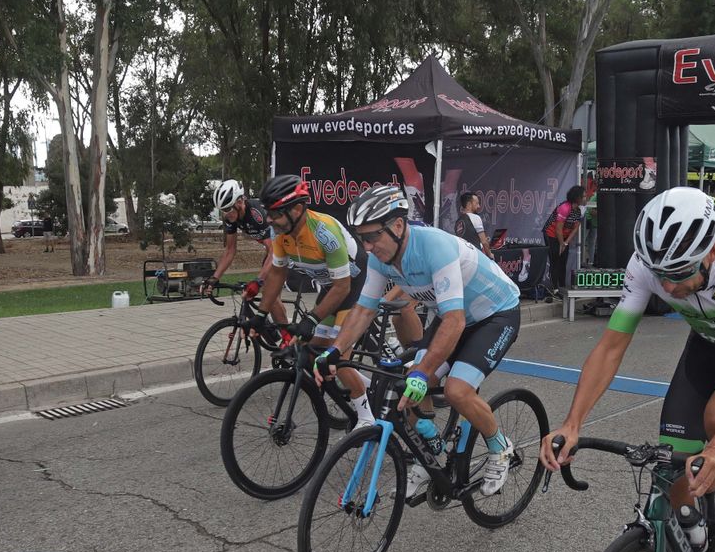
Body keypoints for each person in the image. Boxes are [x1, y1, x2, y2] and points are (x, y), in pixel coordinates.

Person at [541, 187, 715, 552]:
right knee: (671, 468)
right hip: (707, 345)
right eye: (661, 276)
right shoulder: (645, 266)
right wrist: (572, 423)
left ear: (711, 252)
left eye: (679, 275)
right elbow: (610, 348)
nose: (669, 287)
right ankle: (690, 538)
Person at [315, 185, 523, 498]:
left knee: (455, 390)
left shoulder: (433, 247)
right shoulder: (380, 258)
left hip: (495, 314)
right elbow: (361, 312)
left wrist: (423, 373)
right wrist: (333, 351)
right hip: (452, 315)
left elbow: (455, 321)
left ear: (398, 226)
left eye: (372, 236)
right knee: (406, 387)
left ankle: (500, 446)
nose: (367, 246)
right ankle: (429, 452)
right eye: (362, 239)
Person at [257, 174, 374, 427]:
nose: (269, 220)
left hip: (354, 285)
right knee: (311, 351)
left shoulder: (324, 233)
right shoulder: (280, 232)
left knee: (337, 357)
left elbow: (343, 287)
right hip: (332, 287)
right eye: (268, 213)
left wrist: (311, 318)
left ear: (297, 209)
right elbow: (277, 272)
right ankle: (368, 386)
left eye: (275, 214)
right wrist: (259, 314)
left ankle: (367, 420)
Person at [207, 179, 275, 290]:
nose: (225, 214)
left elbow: (273, 251)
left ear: (239, 202)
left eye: (228, 208)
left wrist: (258, 280)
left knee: (270, 296)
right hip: (275, 251)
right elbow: (230, 251)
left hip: (286, 249)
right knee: (267, 296)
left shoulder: (257, 215)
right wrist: (214, 278)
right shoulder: (231, 218)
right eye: (222, 210)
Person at [542, 185, 586, 303]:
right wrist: (561, 243)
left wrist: (565, 243)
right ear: (577, 198)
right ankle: (555, 289)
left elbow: (576, 229)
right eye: (584, 196)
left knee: (563, 261)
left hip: (564, 237)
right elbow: (558, 229)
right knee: (555, 259)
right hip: (551, 234)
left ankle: (562, 288)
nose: (586, 198)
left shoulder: (579, 210)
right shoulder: (564, 207)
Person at [455, 192, 492, 257]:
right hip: (475, 256)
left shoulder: (458, 222)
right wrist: (490, 254)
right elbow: (484, 242)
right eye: (476, 203)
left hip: (462, 256)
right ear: (469, 204)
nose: (479, 206)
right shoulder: (475, 218)